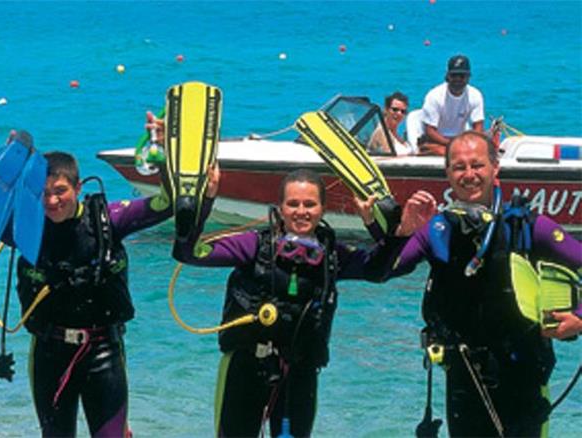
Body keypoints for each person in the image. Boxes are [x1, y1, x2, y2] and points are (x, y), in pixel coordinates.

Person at [172, 167, 434, 437]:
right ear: (280, 208)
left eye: (310, 204)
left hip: (300, 373)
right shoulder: (255, 246)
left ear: (322, 209)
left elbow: (381, 270)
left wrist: (394, 230)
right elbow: (187, 253)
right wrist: (205, 202)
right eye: (293, 204)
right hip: (246, 368)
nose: (301, 211)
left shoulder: (332, 256)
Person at [383, 131, 582, 436]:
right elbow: (386, 270)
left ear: (495, 167)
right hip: (465, 376)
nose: (469, 175)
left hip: (524, 373)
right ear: (447, 173)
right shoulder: (438, 229)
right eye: (459, 167)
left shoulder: (527, 227)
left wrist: (579, 318)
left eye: (477, 165)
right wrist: (400, 231)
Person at [0, 115, 173, 436]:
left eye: (60, 191)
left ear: (78, 188)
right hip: (50, 353)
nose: (52, 201)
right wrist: (10, 161)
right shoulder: (26, 228)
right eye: (43, 192)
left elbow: (166, 203)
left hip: (103, 351)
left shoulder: (107, 220)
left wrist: (161, 151)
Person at [419, 55, 485, 156]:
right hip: (437, 141)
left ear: (468, 78)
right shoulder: (434, 96)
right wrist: (452, 144)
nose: (457, 79)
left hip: (460, 142)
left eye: (462, 76)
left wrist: (468, 143)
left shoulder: (475, 95)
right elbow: (430, 131)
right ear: (447, 76)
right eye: (454, 76)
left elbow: (478, 127)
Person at [368, 91, 416, 155]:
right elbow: (388, 156)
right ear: (386, 109)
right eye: (395, 109)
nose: (399, 113)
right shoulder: (382, 132)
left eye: (403, 111)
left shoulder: (396, 134)